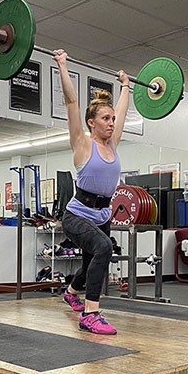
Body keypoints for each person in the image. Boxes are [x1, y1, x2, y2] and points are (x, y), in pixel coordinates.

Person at [53, 49, 129, 335]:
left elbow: (122, 111)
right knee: (104, 248)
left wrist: (125, 86)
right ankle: (90, 314)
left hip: (102, 214)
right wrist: (63, 64)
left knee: (92, 262)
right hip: (76, 215)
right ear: (91, 123)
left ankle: (71, 293)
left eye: (112, 119)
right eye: (105, 119)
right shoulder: (83, 145)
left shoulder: (113, 144)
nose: (111, 122)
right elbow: (71, 101)